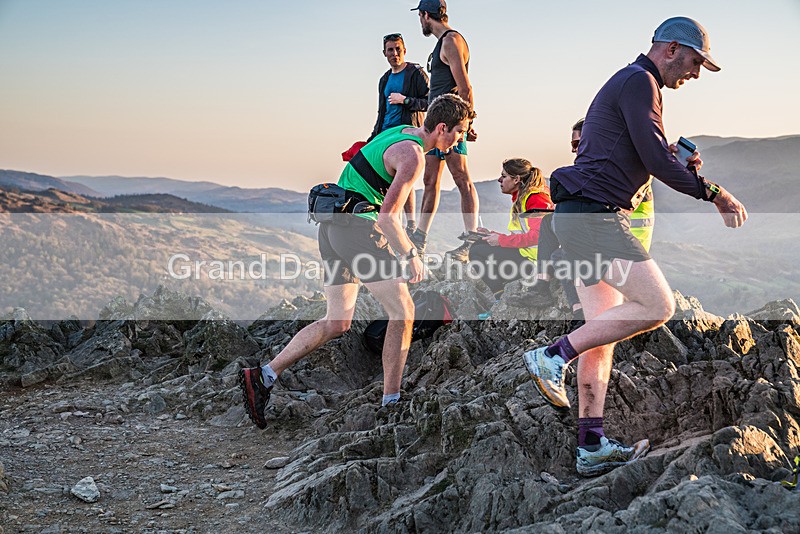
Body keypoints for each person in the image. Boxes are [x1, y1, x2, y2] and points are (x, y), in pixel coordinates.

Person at [522, 17, 748, 476]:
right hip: (597, 215)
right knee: (659, 305)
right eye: (694, 62)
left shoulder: (636, 85)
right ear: (669, 49)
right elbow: (653, 156)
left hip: (579, 216)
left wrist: (675, 159)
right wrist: (714, 192)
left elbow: (650, 153)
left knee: (601, 337)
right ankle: (550, 356)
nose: (696, 73)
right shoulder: (639, 81)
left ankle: (590, 446)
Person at [240, 94, 476, 429]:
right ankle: (391, 402)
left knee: (337, 323)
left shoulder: (398, 133)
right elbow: (386, 219)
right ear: (442, 128)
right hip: (358, 231)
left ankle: (263, 376)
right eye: (460, 132)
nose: (461, 140)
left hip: (332, 228)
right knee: (404, 311)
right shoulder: (413, 157)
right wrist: (410, 255)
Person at [532, 118, 657, 327]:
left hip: (624, 247)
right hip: (607, 237)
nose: (575, 151)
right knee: (550, 222)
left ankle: (580, 314)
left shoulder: (620, 173)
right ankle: (542, 284)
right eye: (573, 145)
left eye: (578, 144)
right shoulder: (608, 170)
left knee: (562, 256)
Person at [408, 0, 479, 262]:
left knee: (461, 177)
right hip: (434, 123)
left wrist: (466, 123)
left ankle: (471, 239)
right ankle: (421, 238)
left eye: (420, 17)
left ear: (426, 16)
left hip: (450, 122)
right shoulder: (442, 44)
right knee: (430, 181)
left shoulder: (451, 40)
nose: (420, 22)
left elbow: (465, 87)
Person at [368, 33, 430, 237]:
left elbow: (432, 101)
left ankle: (410, 224)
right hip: (386, 133)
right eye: (390, 50)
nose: (394, 53)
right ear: (384, 53)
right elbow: (381, 110)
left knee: (404, 177)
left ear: (405, 50)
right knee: (387, 179)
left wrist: (406, 101)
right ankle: (389, 222)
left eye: (398, 49)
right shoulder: (384, 79)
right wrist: (373, 138)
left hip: (406, 131)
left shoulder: (415, 73)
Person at [468, 158, 553, 300]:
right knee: (480, 245)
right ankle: (501, 295)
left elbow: (537, 236)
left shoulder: (535, 199)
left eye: (504, 176)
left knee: (477, 250)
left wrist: (501, 240)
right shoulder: (522, 198)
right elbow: (524, 234)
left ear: (516, 179)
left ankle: (500, 297)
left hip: (535, 262)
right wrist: (493, 235)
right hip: (527, 257)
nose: (499, 180)